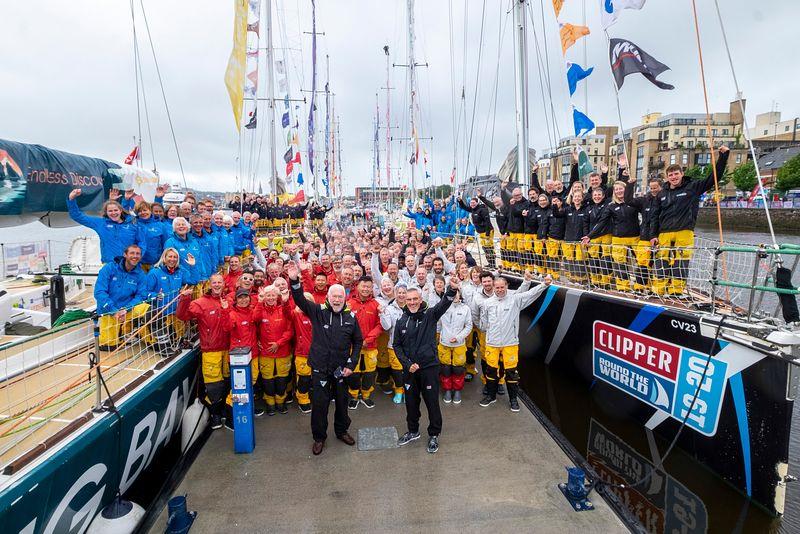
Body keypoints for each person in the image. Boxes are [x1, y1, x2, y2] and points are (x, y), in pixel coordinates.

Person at [287, 261, 363, 456]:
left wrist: (351, 364)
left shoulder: (351, 318)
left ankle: (341, 431)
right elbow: (299, 300)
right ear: (328, 297)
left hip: (341, 370)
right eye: (333, 296)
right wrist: (295, 280)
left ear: (344, 298)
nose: (337, 299)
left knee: (342, 403)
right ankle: (319, 437)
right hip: (320, 368)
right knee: (319, 405)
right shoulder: (318, 311)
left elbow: (358, 342)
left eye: (340, 296)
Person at [393, 275, 459, 454]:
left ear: (420, 300)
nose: (412, 302)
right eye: (409, 300)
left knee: (432, 403)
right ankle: (413, 431)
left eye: (415, 299)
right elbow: (396, 346)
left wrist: (451, 289)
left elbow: (444, 303)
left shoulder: (430, 315)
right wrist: (407, 364)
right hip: (410, 371)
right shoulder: (401, 321)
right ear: (404, 301)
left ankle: (434, 434)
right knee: (411, 404)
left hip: (429, 367)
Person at [651, 145, 730, 295]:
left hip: (684, 231)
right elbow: (654, 215)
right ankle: (658, 291)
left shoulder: (693, 187)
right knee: (661, 262)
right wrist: (653, 235)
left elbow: (714, 178)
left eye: (676, 174)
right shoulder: (661, 194)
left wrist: (723, 157)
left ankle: (676, 292)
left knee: (680, 263)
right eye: (671, 175)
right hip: (664, 233)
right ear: (667, 177)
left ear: (682, 174)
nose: (673, 177)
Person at [479, 271, 551, 411]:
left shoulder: (515, 300)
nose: (499, 290)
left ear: (507, 287)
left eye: (502, 287)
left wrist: (544, 284)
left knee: (511, 372)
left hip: (510, 343)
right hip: (492, 343)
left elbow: (530, 294)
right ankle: (491, 396)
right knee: (491, 371)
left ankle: (513, 400)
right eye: (497, 287)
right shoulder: (487, 303)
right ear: (493, 288)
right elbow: (483, 323)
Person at [176, 274, 230, 429]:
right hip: (211, 349)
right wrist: (185, 299)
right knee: (213, 384)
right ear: (210, 284)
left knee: (228, 380)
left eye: (220, 282)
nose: (217, 285)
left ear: (224, 284)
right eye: (214, 282)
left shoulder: (230, 300)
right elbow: (182, 315)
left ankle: (226, 409)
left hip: (229, 348)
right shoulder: (201, 303)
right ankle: (215, 414)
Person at [94, 244, 150, 350]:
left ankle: (140, 333)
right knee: (108, 346)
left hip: (127, 309)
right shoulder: (109, 268)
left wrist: (126, 309)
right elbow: (99, 292)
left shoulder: (140, 274)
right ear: (125, 254)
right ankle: (120, 334)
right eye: (132, 253)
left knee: (149, 309)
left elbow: (141, 295)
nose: (135, 256)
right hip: (109, 311)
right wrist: (114, 311)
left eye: (138, 254)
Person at [67, 188, 145, 264]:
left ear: (120, 210)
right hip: (109, 265)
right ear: (106, 212)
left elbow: (141, 242)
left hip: (130, 265)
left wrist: (137, 256)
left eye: (115, 210)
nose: (113, 213)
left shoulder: (133, 224)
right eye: (110, 211)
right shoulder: (101, 223)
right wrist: (71, 199)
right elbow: (77, 216)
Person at [255, 285, 294, 415]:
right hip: (266, 353)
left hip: (283, 352)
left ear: (277, 296)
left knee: (282, 380)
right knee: (268, 381)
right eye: (268, 295)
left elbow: (290, 330)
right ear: (264, 297)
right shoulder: (260, 309)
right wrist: (259, 303)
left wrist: (279, 343)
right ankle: (270, 403)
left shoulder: (283, 309)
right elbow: (254, 320)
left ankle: (280, 402)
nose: (271, 298)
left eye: (273, 295)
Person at [437, 288, 473, 404]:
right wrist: (438, 338)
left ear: (460, 294)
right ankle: (447, 389)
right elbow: (438, 324)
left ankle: (457, 390)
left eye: (456, 293)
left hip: (459, 344)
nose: (455, 296)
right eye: (452, 294)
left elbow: (468, 326)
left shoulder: (465, 309)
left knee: (458, 369)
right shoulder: (442, 307)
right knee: (445, 368)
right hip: (444, 344)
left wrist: (458, 337)